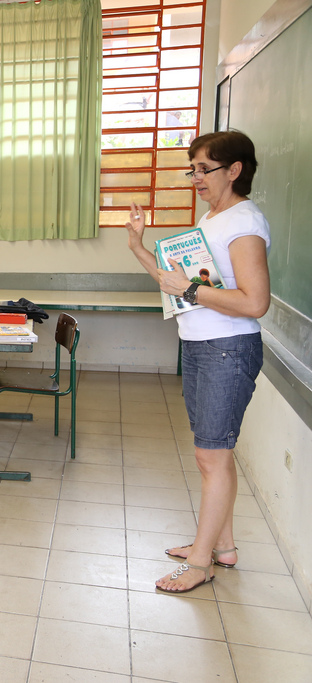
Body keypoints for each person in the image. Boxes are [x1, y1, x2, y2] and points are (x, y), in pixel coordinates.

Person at [125, 130, 270, 594]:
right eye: (192, 170)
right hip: (202, 345)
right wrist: (139, 247)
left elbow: (255, 302)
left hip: (227, 348)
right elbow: (176, 283)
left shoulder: (243, 222)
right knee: (213, 453)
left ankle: (201, 563)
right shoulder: (212, 219)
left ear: (235, 170)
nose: (195, 178)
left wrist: (191, 289)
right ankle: (222, 546)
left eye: (204, 169)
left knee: (212, 455)